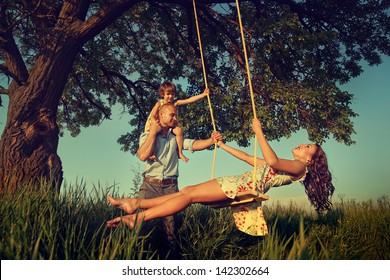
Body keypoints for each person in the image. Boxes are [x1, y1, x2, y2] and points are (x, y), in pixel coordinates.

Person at [107, 117, 335, 236]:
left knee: (188, 196)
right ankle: (136, 204)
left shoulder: (298, 168)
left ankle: (136, 217)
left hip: (239, 187)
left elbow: (273, 160)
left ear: (309, 160)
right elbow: (247, 158)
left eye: (307, 147)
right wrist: (221, 145)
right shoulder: (286, 169)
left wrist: (259, 133)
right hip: (237, 184)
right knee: (187, 193)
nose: (302, 145)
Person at [136, 103, 222, 256]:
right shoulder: (146, 135)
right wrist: (152, 134)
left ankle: (171, 262)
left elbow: (193, 144)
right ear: (161, 115)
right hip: (150, 186)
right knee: (142, 226)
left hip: (170, 188)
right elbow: (143, 155)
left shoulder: (176, 138)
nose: (176, 118)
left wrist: (211, 140)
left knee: (170, 230)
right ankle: (138, 260)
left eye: (176, 115)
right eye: (172, 115)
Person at [145, 81, 210, 162]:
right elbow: (152, 116)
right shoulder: (159, 104)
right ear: (162, 94)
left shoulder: (175, 103)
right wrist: (155, 125)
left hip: (168, 127)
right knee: (156, 135)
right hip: (155, 124)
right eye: (168, 94)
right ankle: (153, 153)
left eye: (172, 94)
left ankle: (179, 152)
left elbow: (188, 100)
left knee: (179, 130)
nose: (170, 96)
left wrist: (203, 95)